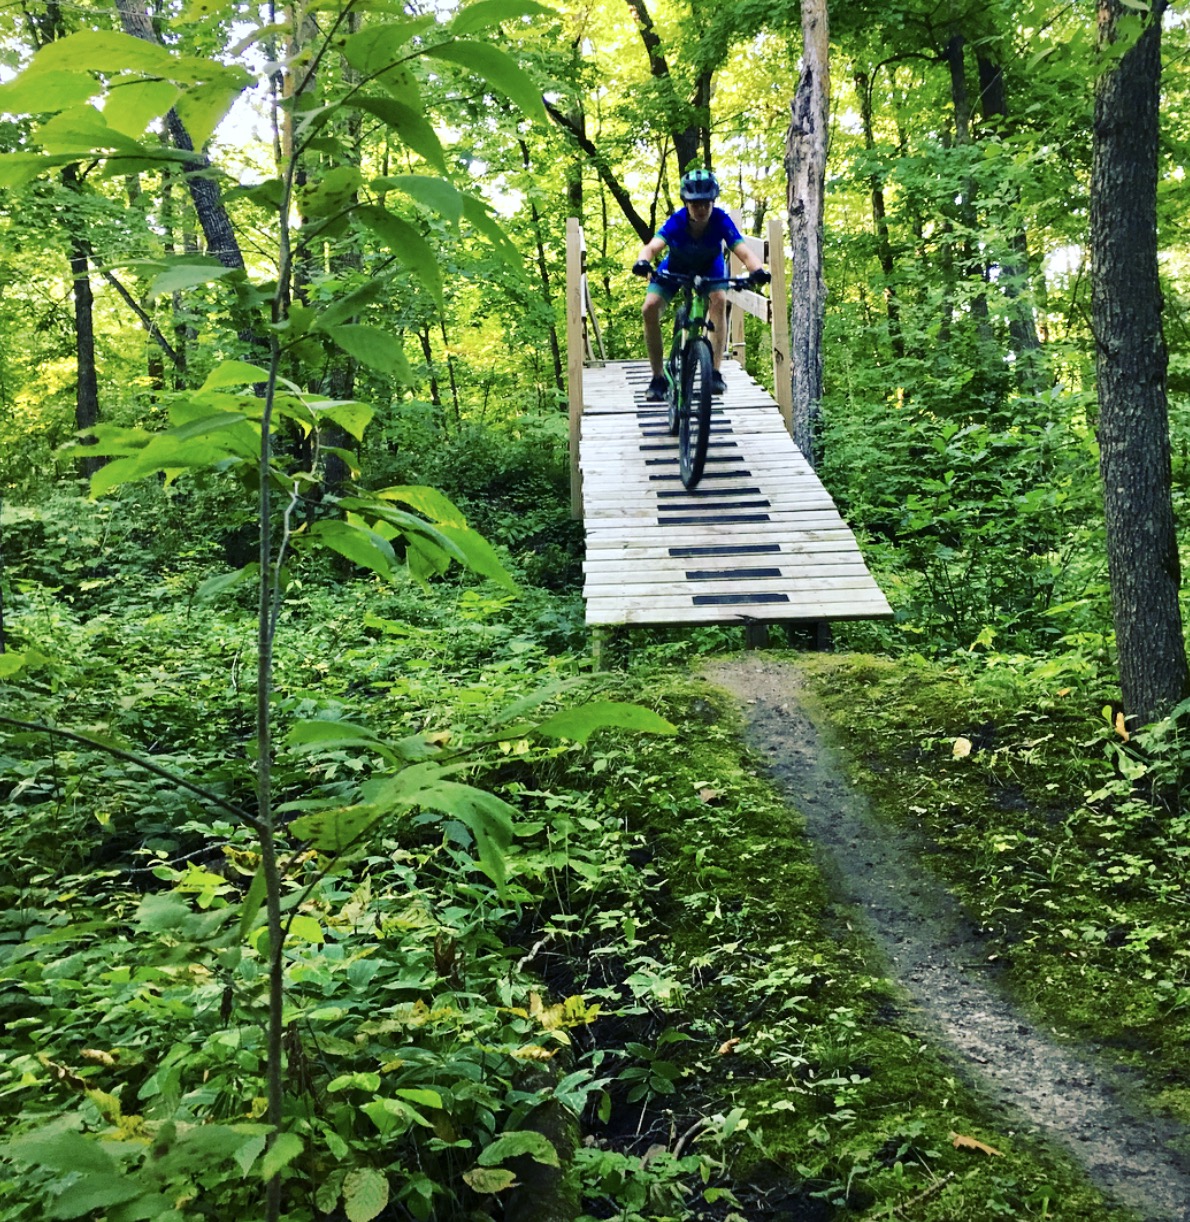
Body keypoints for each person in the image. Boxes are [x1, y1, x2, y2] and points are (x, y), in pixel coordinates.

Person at [632, 169, 770, 402]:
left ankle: (714, 372)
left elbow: (744, 251)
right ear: (686, 203)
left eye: (706, 203)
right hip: (675, 267)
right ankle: (657, 377)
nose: (701, 209)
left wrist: (757, 271)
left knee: (719, 299)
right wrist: (642, 261)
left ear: (713, 201)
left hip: (710, 268)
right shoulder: (677, 221)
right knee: (649, 307)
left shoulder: (720, 220)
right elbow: (653, 246)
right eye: (695, 204)